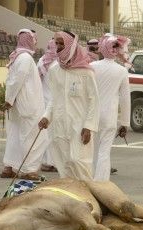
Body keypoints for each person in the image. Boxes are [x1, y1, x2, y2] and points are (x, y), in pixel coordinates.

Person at [38, 31, 99, 181]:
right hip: (59, 125)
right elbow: (54, 98)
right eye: (56, 43)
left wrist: (89, 126)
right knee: (64, 165)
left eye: (61, 43)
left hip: (80, 126)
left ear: (71, 46)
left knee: (79, 162)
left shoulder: (86, 72)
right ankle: (72, 199)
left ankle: (87, 197)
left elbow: (94, 101)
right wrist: (46, 116)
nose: (57, 47)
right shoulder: (54, 70)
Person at [0, 29, 48, 180]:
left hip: (19, 103)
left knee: (15, 135)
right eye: (34, 39)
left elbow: (12, 81)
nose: (36, 42)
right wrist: (9, 99)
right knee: (32, 136)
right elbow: (17, 81)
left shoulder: (18, 57)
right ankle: (28, 170)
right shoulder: (25, 58)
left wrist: (9, 99)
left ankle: (9, 167)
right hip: (27, 104)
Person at [91, 34, 131, 181]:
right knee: (104, 151)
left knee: (92, 150)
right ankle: (101, 182)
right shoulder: (121, 71)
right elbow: (125, 99)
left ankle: (91, 179)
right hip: (109, 116)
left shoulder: (91, 67)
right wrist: (125, 123)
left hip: (92, 115)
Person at [36, 39, 58, 172]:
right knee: (52, 133)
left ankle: (46, 160)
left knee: (46, 133)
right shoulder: (58, 63)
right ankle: (49, 162)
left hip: (43, 99)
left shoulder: (42, 61)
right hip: (53, 101)